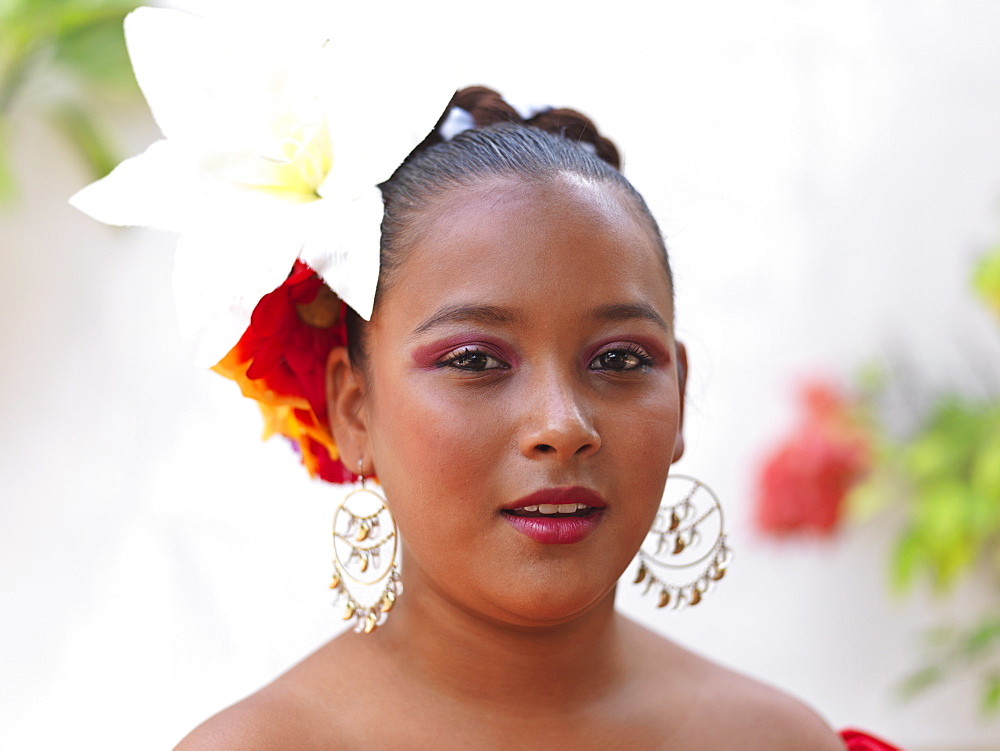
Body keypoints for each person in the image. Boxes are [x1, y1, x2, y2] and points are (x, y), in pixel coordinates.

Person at [70, 8, 903, 750]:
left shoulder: (780, 739)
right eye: (475, 360)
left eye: (619, 359)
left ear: (679, 391)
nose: (562, 423)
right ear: (351, 408)